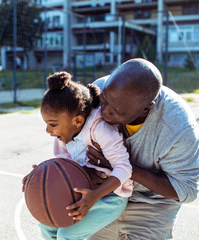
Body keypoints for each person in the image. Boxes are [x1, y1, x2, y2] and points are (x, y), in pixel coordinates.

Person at [86, 58, 199, 240]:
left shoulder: (178, 127)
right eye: (104, 100)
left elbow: (186, 189)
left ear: (146, 108)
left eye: (117, 109)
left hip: (151, 202)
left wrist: (122, 166)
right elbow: (69, 130)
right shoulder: (96, 91)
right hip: (105, 193)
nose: (105, 111)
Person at [30, 71, 134, 240]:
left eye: (52, 124)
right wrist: (40, 175)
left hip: (110, 198)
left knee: (67, 235)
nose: (48, 131)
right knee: (47, 225)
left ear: (77, 121)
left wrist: (94, 196)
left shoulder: (100, 129)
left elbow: (124, 168)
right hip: (86, 191)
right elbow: (63, 167)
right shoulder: (64, 133)